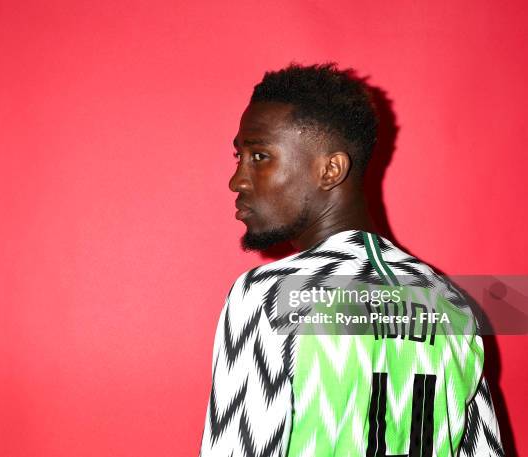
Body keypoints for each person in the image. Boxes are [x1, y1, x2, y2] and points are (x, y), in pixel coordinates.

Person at [198, 64, 504, 457]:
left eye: (259, 155)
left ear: (331, 169)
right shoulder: (449, 303)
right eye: (239, 156)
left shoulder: (269, 297)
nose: (237, 179)